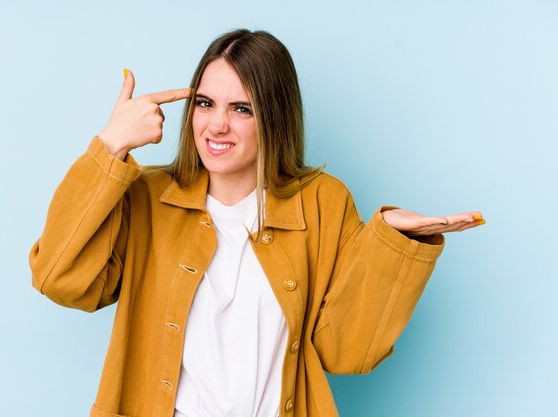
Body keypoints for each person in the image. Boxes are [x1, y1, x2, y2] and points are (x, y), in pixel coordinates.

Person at [29, 29, 484, 417]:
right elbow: (59, 279)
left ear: (275, 116)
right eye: (205, 104)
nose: (217, 126)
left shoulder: (323, 201)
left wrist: (393, 243)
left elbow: (347, 351)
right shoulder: (147, 197)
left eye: (242, 109)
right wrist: (110, 147)